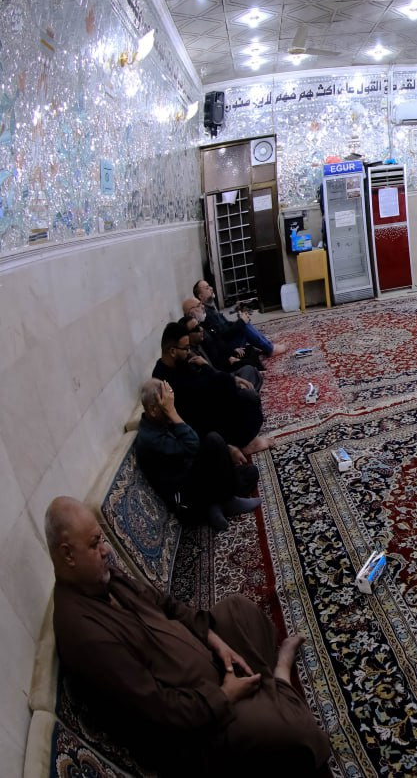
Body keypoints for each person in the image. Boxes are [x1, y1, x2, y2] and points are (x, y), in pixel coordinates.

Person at [45, 497, 331, 777]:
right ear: (68, 555)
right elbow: (158, 713)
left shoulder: (102, 577)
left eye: (102, 539)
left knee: (237, 609)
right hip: (197, 728)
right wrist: (224, 695)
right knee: (298, 733)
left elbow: (166, 605)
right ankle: (279, 676)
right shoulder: (86, 636)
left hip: (208, 672)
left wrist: (214, 640)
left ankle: (266, 692)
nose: (106, 549)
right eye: (95, 544)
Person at [134, 378, 262, 531]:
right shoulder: (150, 439)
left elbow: (195, 439)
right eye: (166, 404)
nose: (171, 406)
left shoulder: (159, 420)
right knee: (214, 440)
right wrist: (172, 412)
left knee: (250, 472)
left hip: (193, 479)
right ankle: (225, 502)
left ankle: (215, 506)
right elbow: (192, 445)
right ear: (153, 410)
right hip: (186, 500)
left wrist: (226, 449)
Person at [152, 321, 271, 455]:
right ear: (172, 351)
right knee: (244, 400)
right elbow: (189, 415)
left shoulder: (181, 364)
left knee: (248, 396)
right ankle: (242, 444)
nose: (189, 352)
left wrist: (208, 368)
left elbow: (210, 380)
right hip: (204, 425)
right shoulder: (163, 379)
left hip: (211, 409)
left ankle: (243, 440)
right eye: (186, 348)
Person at [194, 279, 276, 357]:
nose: (211, 288)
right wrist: (241, 322)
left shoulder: (211, 308)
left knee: (244, 322)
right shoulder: (207, 314)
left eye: (209, 286)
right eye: (207, 288)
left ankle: (268, 345)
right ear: (201, 296)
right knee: (244, 326)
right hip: (229, 348)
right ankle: (270, 349)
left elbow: (226, 325)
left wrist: (240, 320)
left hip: (230, 342)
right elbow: (223, 336)